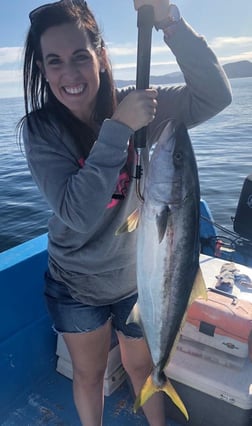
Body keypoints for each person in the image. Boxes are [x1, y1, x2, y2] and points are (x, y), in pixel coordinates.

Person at [20, 0, 232, 425]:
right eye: (55, 61)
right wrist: (118, 128)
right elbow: (77, 212)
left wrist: (169, 20)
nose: (70, 73)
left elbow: (215, 94)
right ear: (43, 70)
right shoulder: (42, 132)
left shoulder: (142, 106)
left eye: (81, 56)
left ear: (100, 55)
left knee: (143, 368)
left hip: (138, 279)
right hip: (76, 284)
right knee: (89, 374)